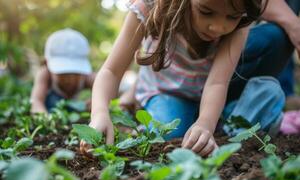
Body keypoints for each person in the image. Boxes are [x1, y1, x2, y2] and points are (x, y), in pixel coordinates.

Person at [81, 0, 271, 157]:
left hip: (206, 95)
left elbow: (217, 83)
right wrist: (99, 113)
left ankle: (214, 120)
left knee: (270, 93)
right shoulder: (150, 6)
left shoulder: (238, 23)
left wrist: (205, 124)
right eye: (206, 11)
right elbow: (111, 71)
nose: (218, 27)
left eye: (232, 17)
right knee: (170, 131)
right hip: (166, 91)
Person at [30, 28, 96, 113]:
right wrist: (45, 118)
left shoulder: (88, 77)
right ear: (47, 64)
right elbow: (36, 102)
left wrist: (97, 103)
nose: (70, 79)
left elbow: (111, 89)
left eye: (76, 73)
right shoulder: (44, 74)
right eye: (63, 74)